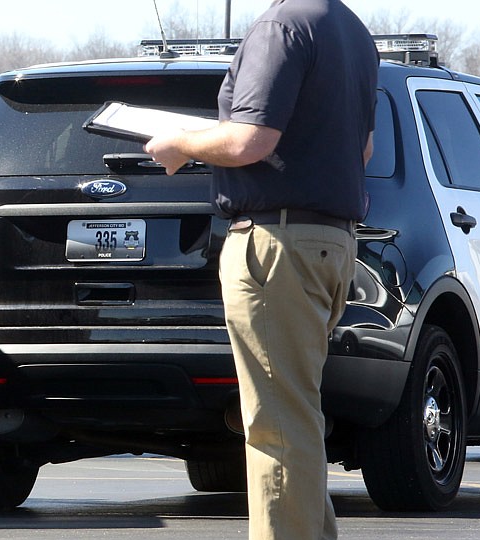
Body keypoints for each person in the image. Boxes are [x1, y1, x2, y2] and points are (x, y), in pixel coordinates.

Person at [144, 1, 379, 538]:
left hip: (278, 244)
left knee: (276, 426)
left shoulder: (282, 26)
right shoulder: (352, 32)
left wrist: (181, 143)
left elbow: (251, 139)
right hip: (330, 242)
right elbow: (362, 149)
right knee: (296, 418)